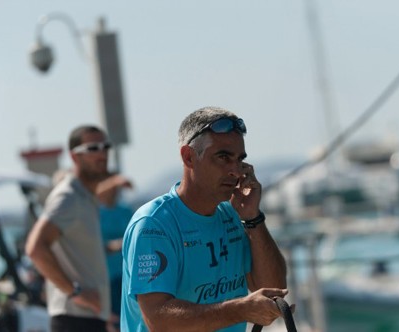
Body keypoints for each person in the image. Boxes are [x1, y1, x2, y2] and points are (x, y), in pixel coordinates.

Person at [121, 107, 288, 331]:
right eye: (223, 157)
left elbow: (274, 291)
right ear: (188, 157)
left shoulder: (233, 215)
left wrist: (253, 218)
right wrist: (241, 309)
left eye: (239, 160)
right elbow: (158, 319)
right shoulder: (153, 224)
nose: (235, 171)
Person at [25, 125, 112, 332]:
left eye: (105, 147)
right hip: (74, 320)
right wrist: (74, 292)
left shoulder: (86, 197)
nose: (102, 154)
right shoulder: (68, 197)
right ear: (75, 157)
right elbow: (35, 248)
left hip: (88, 319)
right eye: (92, 148)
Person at [96, 173, 135, 327]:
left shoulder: (125, 210)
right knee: (113, 320)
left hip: (128, 275)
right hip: (107, 277)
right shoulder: (96, 212)